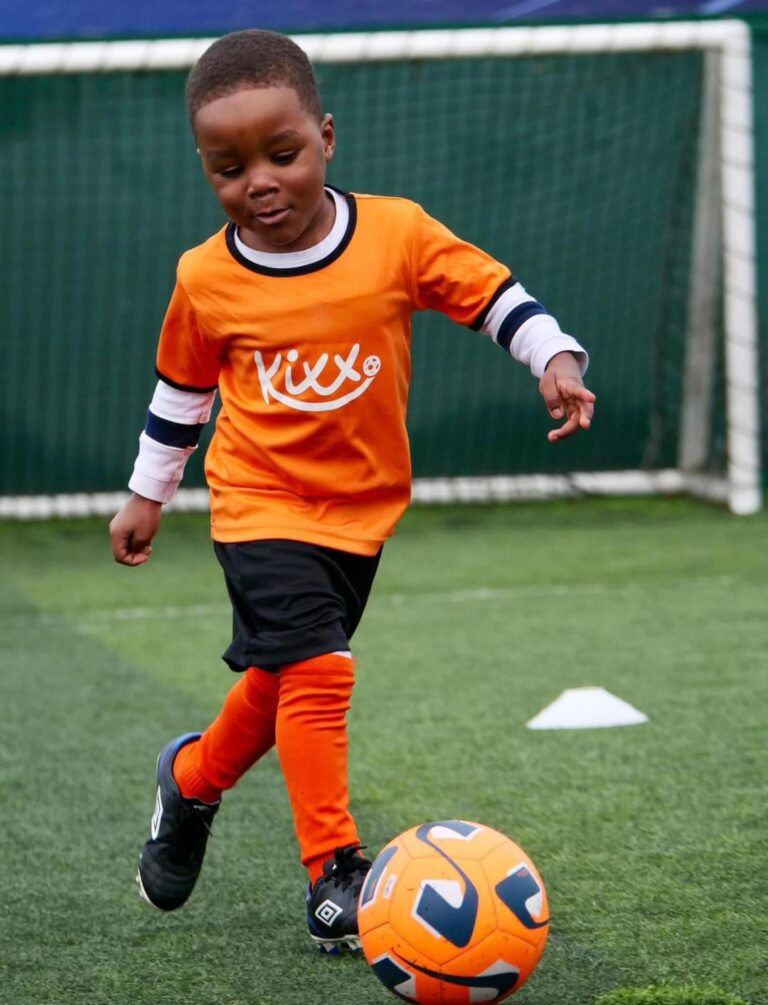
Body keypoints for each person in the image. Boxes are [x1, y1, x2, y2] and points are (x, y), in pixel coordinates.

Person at [109, 28, 595, 954]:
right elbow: (182, 391)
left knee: (284, 673)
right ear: (206, 170)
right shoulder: (204, 277)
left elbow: (494, 295)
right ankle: (334, 868)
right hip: (257, 505)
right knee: (321, 673)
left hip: (362, 511)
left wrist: (556, 356)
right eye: (227, 167)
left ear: (327, 136)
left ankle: (193, 779)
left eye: (282, 154)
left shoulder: (398, 233)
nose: (258, 180)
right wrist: (148, 494)